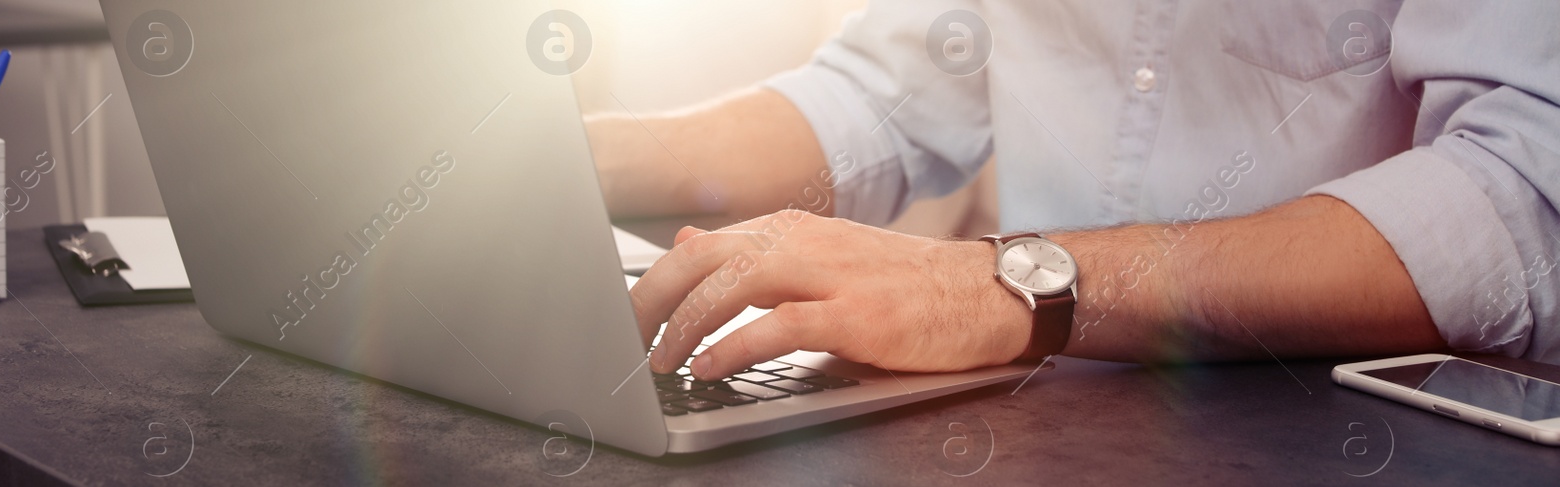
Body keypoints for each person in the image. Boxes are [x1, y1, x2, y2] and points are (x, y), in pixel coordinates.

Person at [584, 1, 1560, 381]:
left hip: (1330, 431)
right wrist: (571, 156)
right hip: (1035, 408)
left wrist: (1011, 287)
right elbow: (886, 96)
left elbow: (1520, 199)